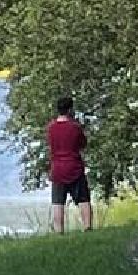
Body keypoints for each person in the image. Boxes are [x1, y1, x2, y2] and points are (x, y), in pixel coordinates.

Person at [45, 98, 93, 233]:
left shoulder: (51, 128)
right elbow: (83, 144)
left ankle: (59, 231)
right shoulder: (75, 127)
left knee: (57, 203)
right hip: (74, 167)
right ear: (70, 109)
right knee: (83, 199)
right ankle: (87, 227)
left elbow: (51, 145)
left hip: (58, 169)